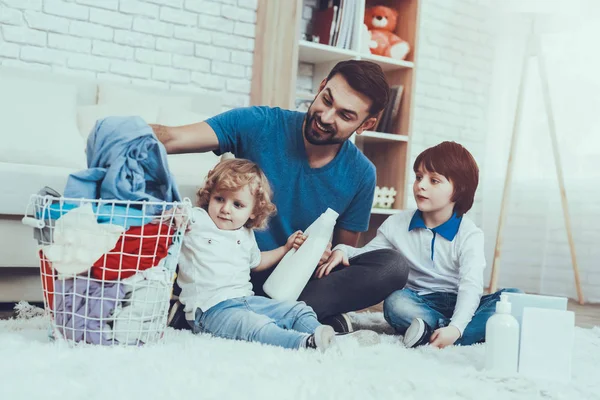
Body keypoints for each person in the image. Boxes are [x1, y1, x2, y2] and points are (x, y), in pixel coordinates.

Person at [152, 60, 409, 333]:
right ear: (321, 87)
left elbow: (339, 255)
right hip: (229, 272)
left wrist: (324, 255)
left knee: (392, 266)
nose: (325, 117)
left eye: (345, 115)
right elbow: (172, 138)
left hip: (291, 283)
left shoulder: (361, 174)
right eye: (326, 100)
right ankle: (286, 316)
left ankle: (254, 314)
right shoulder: (260, 123)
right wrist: (114, 134)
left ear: (365, 124)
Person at [321, 141, 521, 348]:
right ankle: (454, 334)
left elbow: (470, 286)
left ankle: (438, 333)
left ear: (459, 189)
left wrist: (457, 326)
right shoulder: (397, 224)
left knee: (515, 299)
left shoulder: (470, 234)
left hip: (460, 301)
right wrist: (341, 249)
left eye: (434, 180)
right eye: (418, 177)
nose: (421, 185)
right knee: (395, 303)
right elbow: (368, 257)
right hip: (418, 302)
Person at [172, 158, 378, 350]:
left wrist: (285, 249)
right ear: (209, 196)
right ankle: (305, 343)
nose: (225, 209)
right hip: (209, 310)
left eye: (237, 205)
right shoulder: (198, 220)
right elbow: (177, 214)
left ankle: (331, 338)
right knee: (256, 325)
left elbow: (257, 261)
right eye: (219, 199)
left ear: (252, 211)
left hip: (245, 300)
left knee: (297, 310)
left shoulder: (245, 234)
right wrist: (177, 215)